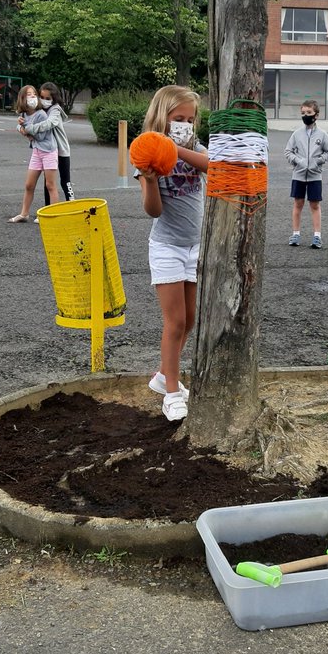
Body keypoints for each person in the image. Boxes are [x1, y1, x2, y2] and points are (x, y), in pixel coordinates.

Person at [135, 85, 208, 422]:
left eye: (190, 119)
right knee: (175, 322)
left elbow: (213, 166)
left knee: (190, 319)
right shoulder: (148, 151)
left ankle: (164, 377)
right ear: (161, 117)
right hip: (166, 247)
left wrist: (178, 149)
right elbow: (153, 211)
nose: (185, 124)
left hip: (196, 246)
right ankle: (173, 393)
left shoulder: (194, 147)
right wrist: (150, 180)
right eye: (178, 118)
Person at [284, 100, 328, 247]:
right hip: (298, 175)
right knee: (298, 203)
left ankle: (317, 236)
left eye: (309, 113)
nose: (306, 116)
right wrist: (298, 161)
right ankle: (295, 234)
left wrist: (316, 162)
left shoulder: (323, 135)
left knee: (314, 204)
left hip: (315, 176)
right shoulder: (296, 134)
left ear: (316, 115)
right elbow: (288, 151)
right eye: (303, 113)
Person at [8, 84, 60, 222]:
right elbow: (20, 126)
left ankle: (54, 214)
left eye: (33, 94)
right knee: (29, 185)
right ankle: (24, 214)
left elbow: (42, 137)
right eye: (28, 94)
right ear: (22, 98)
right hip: (37, 151)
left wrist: (28, 132)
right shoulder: (24, 114)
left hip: (48, 151)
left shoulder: (41, 114)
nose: (32, 97)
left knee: (50, 185)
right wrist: (22, 129)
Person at [27, 81, 75, 207]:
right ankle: (48, 208)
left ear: (54, 98)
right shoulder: (38, 110)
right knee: (48, 182)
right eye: (42, 97)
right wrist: (21, 127)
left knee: (65, 181)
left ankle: (72, 205)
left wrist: (30, 128)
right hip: (47, 151)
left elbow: (49, 124)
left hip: (61, 150)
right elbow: (25, 118)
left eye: (47, 98)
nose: (44, 100)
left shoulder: (55, 110)